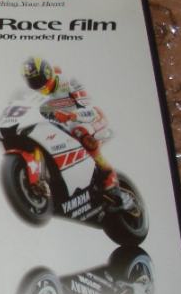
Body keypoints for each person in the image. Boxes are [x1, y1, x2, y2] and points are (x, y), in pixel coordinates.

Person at [21, 56, 132, 209]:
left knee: (80, 133)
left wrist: (72, 115)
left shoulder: (68, 81)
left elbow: (90, 109)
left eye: (38, 79)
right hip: (66, 127)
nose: (37, 84)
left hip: (91, 118)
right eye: (32, 81)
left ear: (47, 72)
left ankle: (110, 180)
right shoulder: (36, 97)